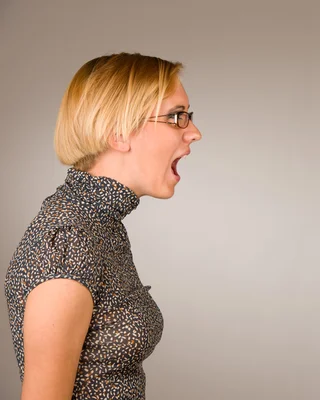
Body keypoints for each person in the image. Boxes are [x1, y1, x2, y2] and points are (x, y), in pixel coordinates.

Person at [4, 52, 201, 399]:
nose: (194, 132)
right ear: (119, 133)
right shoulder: (69, 240)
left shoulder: (98, 223)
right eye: (177, 117)